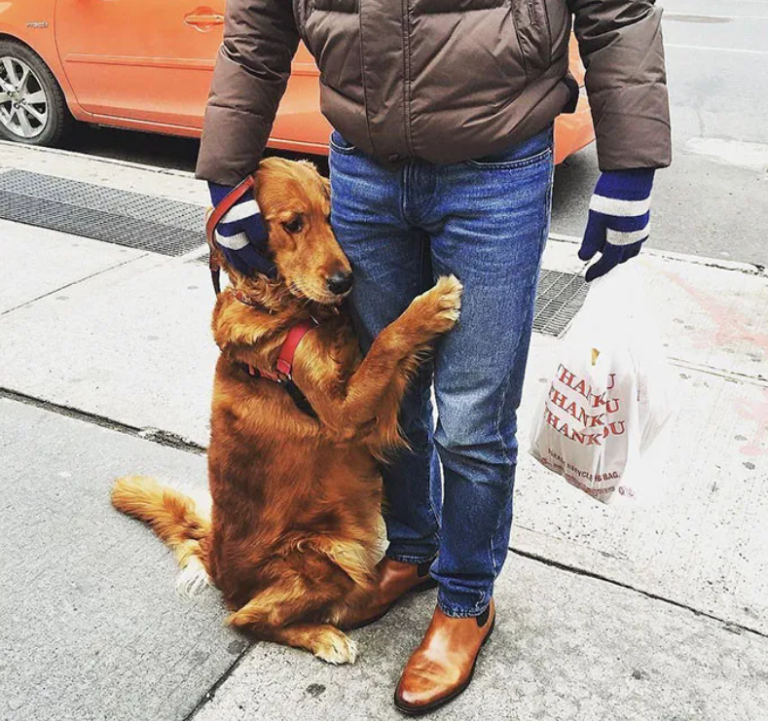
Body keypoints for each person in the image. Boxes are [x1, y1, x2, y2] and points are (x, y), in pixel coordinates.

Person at [196, 1, 670, 714]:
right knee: (392, 398)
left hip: (498, 166)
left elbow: (618, 8)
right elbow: (260, 20)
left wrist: (629, 169)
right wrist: (226, 174)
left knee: (474, 417)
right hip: (361, 168)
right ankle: (413, 550)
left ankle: (467, 600)